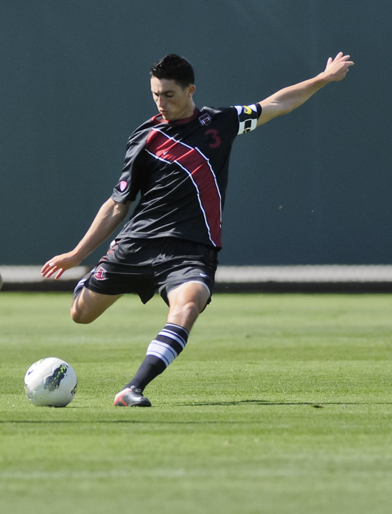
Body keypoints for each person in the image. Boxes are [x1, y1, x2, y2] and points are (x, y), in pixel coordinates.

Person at [41, 52, 354, 407]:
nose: (161, 102)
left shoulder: (219, 122)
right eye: (156, 94)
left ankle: (133, 388)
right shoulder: (145, 138)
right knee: (80, 315)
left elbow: (278, 103)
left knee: (188, 306)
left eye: (169, 95)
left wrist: (324, 78)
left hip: (192, 248)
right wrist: (76, 255)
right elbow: (118, 204)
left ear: (191, 90)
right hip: (139, 243)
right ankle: (96, 279)